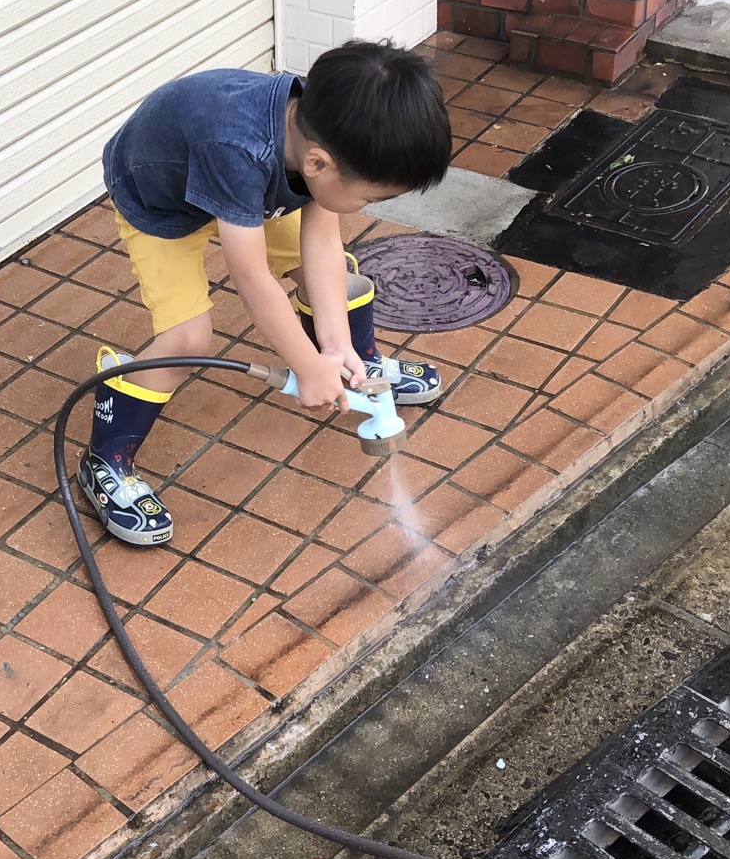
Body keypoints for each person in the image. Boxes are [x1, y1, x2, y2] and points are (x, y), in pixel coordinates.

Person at [79, 38, 454, 545]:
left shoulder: (323, 134)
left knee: (336, 282)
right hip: (162, 202)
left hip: (236, 183)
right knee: (188, 338)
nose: (368, 208)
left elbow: (320, 236)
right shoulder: (239, 149)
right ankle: (106, 460)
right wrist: (304, 365)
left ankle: (360, 365)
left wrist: (336, 346)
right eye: (371, 196)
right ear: (319, 164)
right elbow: (253, 280)